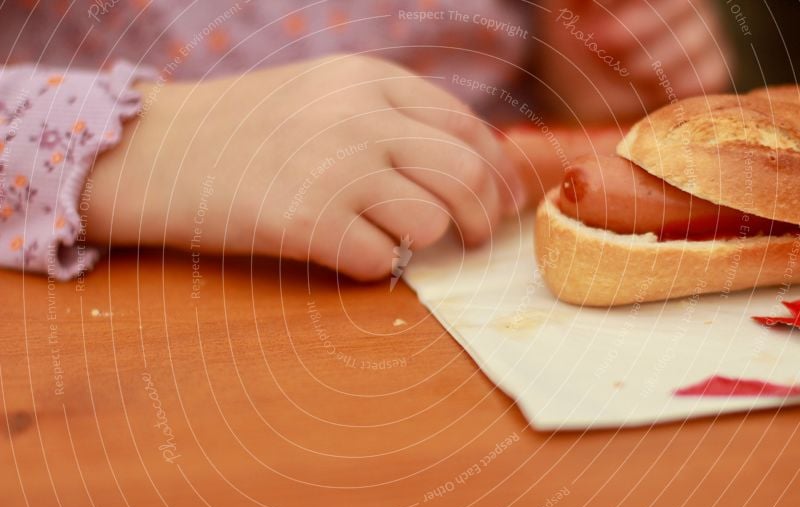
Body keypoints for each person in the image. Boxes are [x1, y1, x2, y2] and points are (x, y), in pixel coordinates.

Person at [0, 0, 731, 282]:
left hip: (466, 279)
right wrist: (135, 144)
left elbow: (534, 57)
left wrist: (600, 71)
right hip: (121, 311)